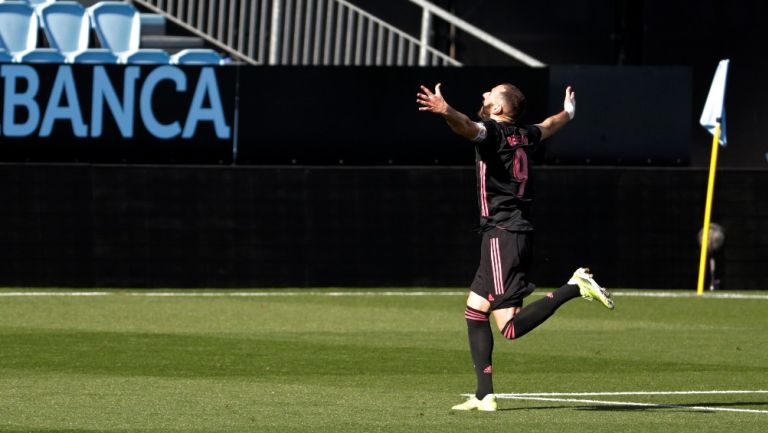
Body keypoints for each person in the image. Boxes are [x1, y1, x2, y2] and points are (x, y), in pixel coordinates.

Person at [416, 82, 615, 411]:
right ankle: (484, 394)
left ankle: (573, 287)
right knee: (475, 310)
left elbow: (465, 126)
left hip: (503, 232)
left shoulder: (493, 133)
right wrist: (570, 112)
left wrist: (445, 110)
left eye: (490, 95)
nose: (483, 95)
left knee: (508, 326)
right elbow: (550, 125)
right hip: (506, 231)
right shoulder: (523, 133)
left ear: (497, 110)